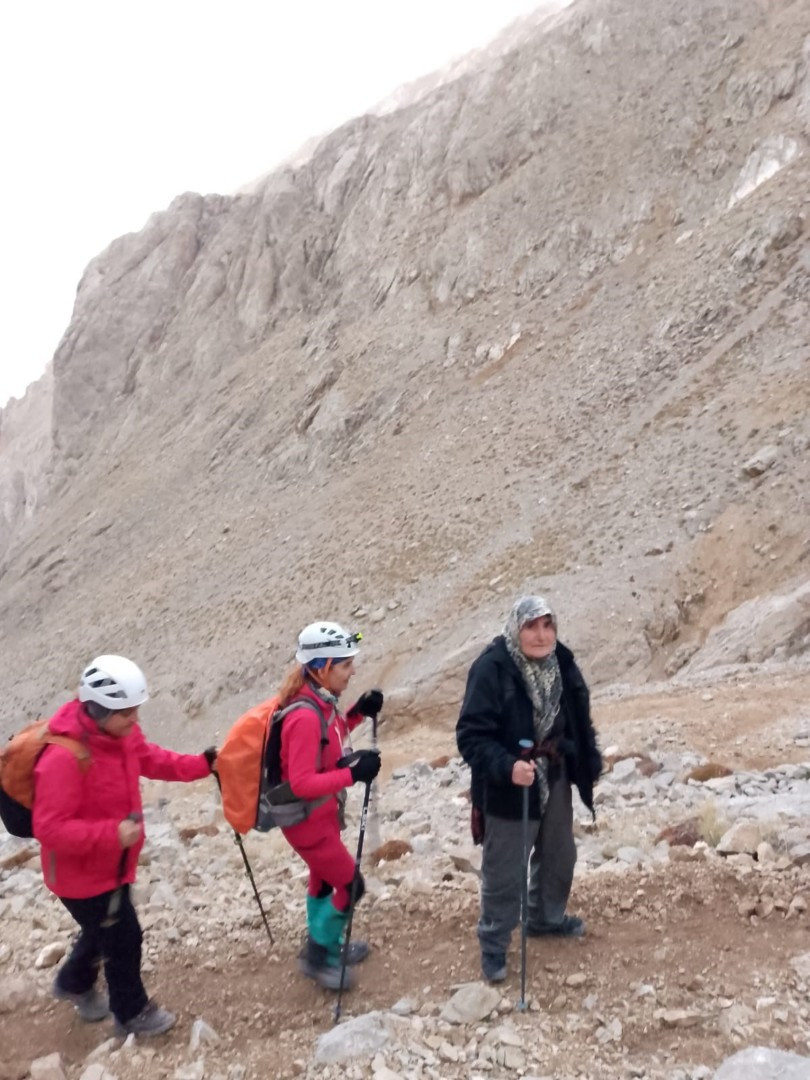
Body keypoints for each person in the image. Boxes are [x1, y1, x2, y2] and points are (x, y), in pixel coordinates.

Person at [33, 654, 217, 1036]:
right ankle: (131, 1013)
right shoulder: (62, 759)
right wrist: (111, 835)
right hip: (80, 877)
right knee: (123, 936)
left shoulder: (121, 736)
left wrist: (202, 765)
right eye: (126, 713)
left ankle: (73, 982)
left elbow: (155, 760)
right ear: (98, 710)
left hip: (112, 866)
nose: (135, 720)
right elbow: (50, 829)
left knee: (104, 929)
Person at [456, 596, 602, 983]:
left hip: (553, 773)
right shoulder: (491, 669)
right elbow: (470, 735)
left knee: (560, 854)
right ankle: (493, 945)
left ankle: (544, 918)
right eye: (531, 627)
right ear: (515, 628)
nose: (540, 635)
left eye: (547, 626)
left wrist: (585, 761)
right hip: (508, 786)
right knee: (505, 868)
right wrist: (507, 766)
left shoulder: (562, 662)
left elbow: (577, 717)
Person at [273, 621, 383, 990]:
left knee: (322, 881)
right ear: (322, 668)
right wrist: (354, 776)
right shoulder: (305, 715)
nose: (352, 672)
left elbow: (330, 739)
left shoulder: (320, 702)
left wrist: (356, 713)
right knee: (352, 886)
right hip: (309, 822)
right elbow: (302, 782)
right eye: (345, 665)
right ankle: (319, 955)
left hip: (318, 818)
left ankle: (329, 941)